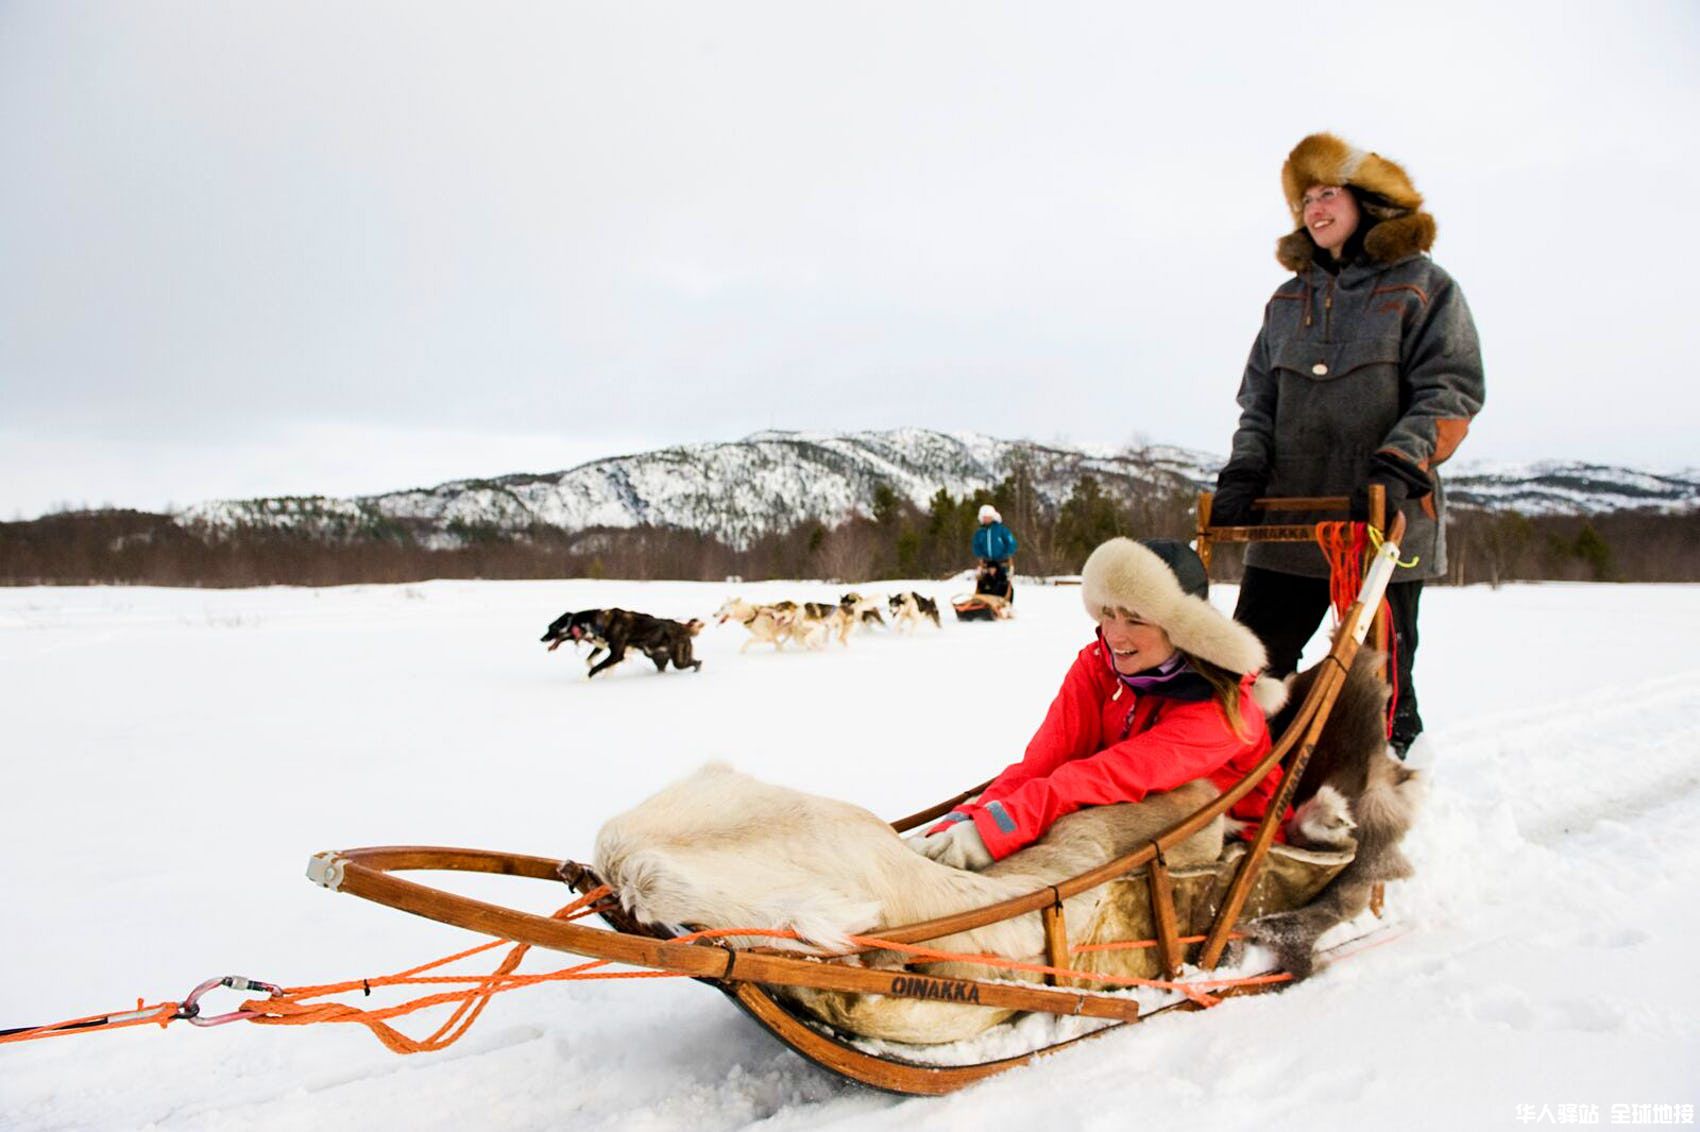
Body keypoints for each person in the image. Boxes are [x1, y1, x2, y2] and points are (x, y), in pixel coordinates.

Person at [1210, 133, 1485, 761]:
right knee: (1248, 668)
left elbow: (1451, 390)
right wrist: (1246, 467)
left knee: (1377, 680)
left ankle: (1376, 790)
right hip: (1289, 523)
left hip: (1384, 521)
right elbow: (1259, 402)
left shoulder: (1422, 288)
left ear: (1367, 202)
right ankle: (1247, 784)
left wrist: (1399, 460)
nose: (1314, 209)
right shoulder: (1285, 303)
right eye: (1305, 199)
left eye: (1327, 193)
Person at [910, 537, 1286, 870]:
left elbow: (1108, 775)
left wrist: (995, 831)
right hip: (1125, 804)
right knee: (1032, 814)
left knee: (1066, 831)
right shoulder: (1099, 665)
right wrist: (964, 820)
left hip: (1229, 833)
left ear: (1183, 630)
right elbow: (1045, 761)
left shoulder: (1222, 712)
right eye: (1109, 613)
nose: (1116, 634)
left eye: (1136, 620)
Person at [971, 504, 1018, 602]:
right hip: (986, 562)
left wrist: (1007, 553)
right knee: (985, 582)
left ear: (993, 517)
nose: (986, 519)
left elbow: (1011, 542)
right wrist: (980, 555)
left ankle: (1005, 601)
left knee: (1002, 581)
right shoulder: (980, 532)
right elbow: (976, 545)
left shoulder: (1001, 530)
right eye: (984, 517)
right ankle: (983, 600)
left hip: (1001, 561)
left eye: (988, 517)